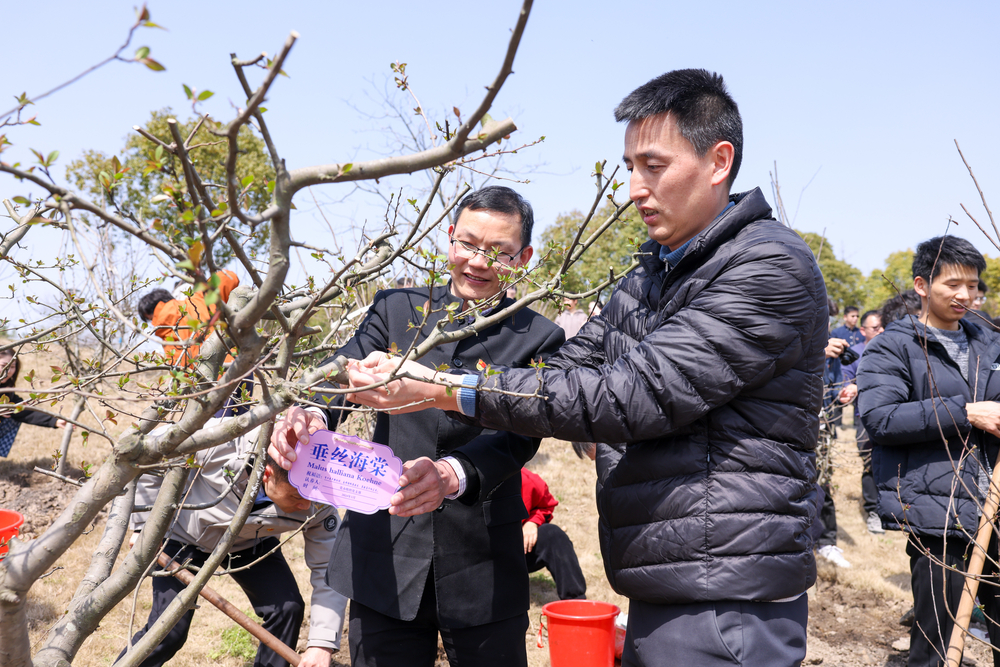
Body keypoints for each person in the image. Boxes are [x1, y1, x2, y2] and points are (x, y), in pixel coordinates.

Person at [328, 69, 828, 666]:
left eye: (654, 166)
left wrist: (446, 389)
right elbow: (570, 372)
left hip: (725, 583)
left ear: (719, 161)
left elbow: (631, 395)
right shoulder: (650, 279)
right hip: (675, 569)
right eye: (629, 169)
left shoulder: (766, 267)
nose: (636, 188)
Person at [272, 186, 565, 667]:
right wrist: (312, 412)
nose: (478, 262)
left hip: (481, 559)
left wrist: (455, 472)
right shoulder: (396, 309)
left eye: (499, 253)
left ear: (525, 257)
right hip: (384, 550)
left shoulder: (538, 336)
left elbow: (523, 430)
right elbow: (342, 368)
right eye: (468, 244)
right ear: (449, 238)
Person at [857, 235, 1000, 667]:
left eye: (973, 286)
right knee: (936, 643)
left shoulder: (990, 341)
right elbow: (880, 418)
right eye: (953, 284)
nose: (965, 295)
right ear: (922, 285)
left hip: (996, 504)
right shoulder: (893, 346)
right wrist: (965, 411)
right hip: (939, 517)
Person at [121, 419, 346, 667]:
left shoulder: (320, 503)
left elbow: (329, 570)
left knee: (287, 608)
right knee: (168, 632)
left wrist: (321, 643)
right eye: (295, 496)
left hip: (250, 542)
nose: (305, 506)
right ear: (268, 475)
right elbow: (151, 451)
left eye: (310, 496)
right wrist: (145, 526)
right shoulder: (227, 442)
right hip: (184, 535)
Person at [838, 310, 883, 535]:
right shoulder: (854, 354)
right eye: (875, 328)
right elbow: (844, 384)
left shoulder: (896, 351)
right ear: (863, 330)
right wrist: (848, 390)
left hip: (896, 416)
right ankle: (874, 511)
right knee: (870, 464)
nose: (881, 331)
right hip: (865, 419)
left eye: (883, 327)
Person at [136, 269, 240, 367]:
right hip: (236, 365)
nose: (152, 323)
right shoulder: (199, 299)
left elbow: (180, 371)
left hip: (209, 381)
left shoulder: (166, 334)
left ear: (150, 313)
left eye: (150, 319)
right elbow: (228, 276)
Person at [520, 467, 587, 601]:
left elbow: (545, 505)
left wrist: (532, 521)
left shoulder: (526, 479)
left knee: (553, 536)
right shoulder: (470, 482)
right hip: (480, 559)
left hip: (517, 550)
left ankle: (576, 604)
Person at [0, 349, 69, 457]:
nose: (8, 371)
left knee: (13, 413)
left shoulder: (7, 390)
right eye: (4, 365)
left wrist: (54, 421)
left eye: (12, 367)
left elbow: (24, 411)